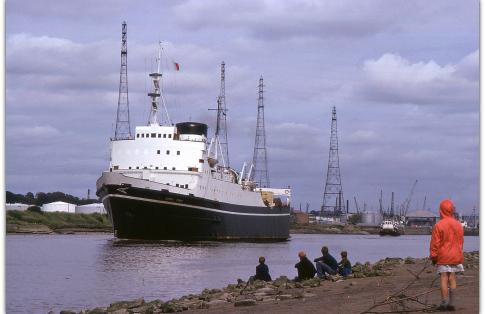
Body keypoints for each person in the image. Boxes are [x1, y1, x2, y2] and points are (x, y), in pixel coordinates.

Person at [429, 199, 464, 311]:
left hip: (443, 256)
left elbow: (435, 244)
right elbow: (460, 242)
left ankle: (444, 303)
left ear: (441, 210)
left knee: (444, 278)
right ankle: (452, 303)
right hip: (455, 255)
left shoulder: (438, 225)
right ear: (452, 210)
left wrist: (434, 257)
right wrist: (459, 254)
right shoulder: (458, 225)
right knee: (452, 278)